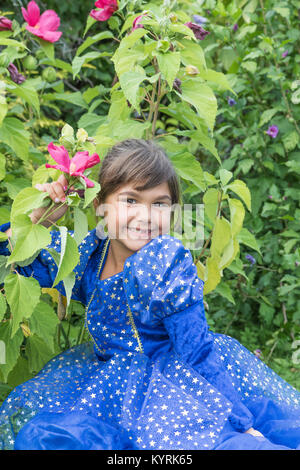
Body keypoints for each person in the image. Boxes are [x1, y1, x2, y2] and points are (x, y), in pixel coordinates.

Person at [0, 138, 299, 450]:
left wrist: (242, 423)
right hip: (109, 391)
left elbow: (196, 352)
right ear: (100, 204)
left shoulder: (163, 261)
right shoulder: (87, 255)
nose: (146, 216)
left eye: (159, 204)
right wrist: (42, 219)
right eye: (130, 200)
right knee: (42, 438)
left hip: (177, 387)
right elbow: (13, 258)